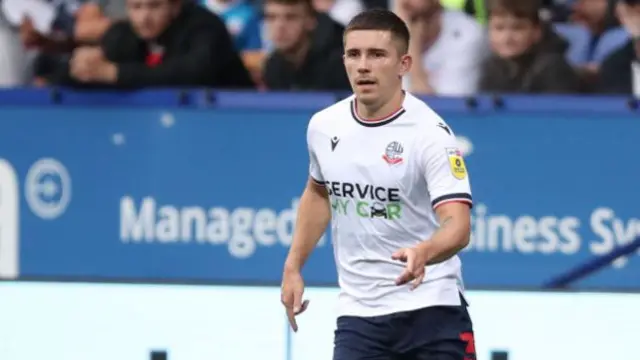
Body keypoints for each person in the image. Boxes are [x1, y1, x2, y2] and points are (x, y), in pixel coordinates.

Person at [280, 8, 476, 360]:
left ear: (404, 64)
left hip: (431, 309)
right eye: (354, 55)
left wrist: (424, 253)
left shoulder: (431, 135)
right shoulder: (324, 126)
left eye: (377, 54)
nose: (363, 65)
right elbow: (319, 193)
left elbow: (458, 226)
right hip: (359, 316)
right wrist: (294, 267)